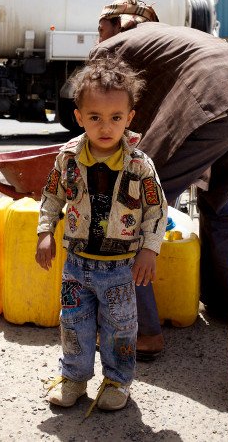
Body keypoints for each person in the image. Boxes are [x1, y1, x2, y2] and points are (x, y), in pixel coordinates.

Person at [91, 0, 228, 359]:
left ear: (120, 23)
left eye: (100, 28)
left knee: (131, 207)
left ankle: (143, 333)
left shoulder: (115, 47)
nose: (97, 37)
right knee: (216, 201)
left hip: (214, 107)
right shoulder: (170, 36)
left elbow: (100, 117)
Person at [36, 57, 166, 412]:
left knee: (120, 328)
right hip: (77, 264)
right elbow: (51, 197)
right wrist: (45, 232)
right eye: (95, 117)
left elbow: (157, 211)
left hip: (121, 267)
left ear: (130, 117)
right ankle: (74, 378)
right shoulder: (67, 158)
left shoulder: (140, 165)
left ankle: (117, 381)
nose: (105, 127)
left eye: (115, 118)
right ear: (79, 118)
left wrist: (149, 250)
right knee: (73, 323)